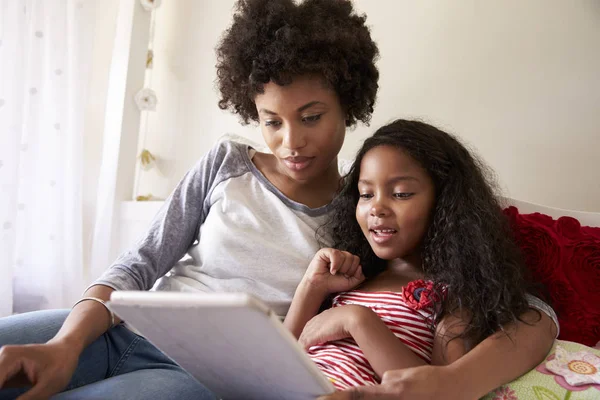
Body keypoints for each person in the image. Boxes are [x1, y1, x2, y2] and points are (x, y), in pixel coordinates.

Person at [0, 1, 554, 399]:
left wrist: (458, 381)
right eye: (271, 121)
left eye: (311, 117)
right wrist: (67, 342)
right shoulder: (225, 163)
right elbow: (140, 264)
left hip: (200, 376)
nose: (291, 141)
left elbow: (518, 305)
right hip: (114, 326)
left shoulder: (360, 214)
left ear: (349, 108)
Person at [285, 119, 558, 398]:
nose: (376, 207)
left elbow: (428, 390)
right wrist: (311, 287)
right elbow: (281, 357)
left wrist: (357, 321)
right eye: (366, 194)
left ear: (444, 203)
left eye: (401, 193)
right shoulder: (354, 279)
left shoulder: (453, 298)